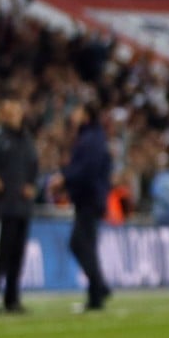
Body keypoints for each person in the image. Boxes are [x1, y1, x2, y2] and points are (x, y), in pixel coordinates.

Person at [49, 102, 112, 312]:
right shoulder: (93, 137)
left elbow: (86, 170)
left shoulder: (90, 139)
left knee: (79, 243)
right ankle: (96, 295)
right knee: (87, 246)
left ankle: (99, 286)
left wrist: (64, 178)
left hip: (89, 199)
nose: (73, 115)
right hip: (90, 198)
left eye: (76, 111)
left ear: (86, 115)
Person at [0, 98, 39, 314]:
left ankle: (11, 299)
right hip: (3, 206)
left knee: (17, 255)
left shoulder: (27, 140)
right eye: (10, 112)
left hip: (22, 206)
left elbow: (34, 167)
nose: (15, 116)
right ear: (3, 116)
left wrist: (32, 185)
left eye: (17, 111)